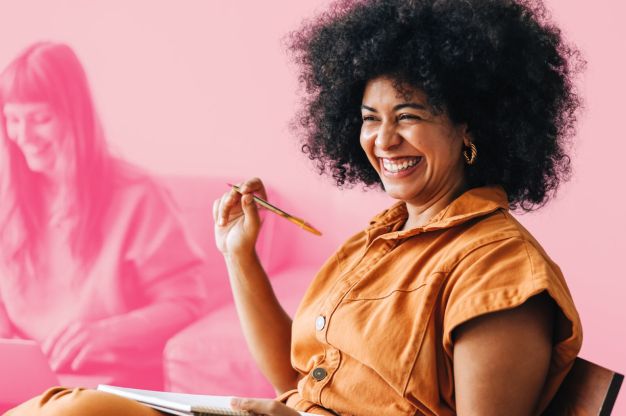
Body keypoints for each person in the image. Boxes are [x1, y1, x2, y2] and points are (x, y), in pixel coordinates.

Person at [6, 0, 584, 414]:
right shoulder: (377, 240)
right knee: (66, 406)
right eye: (368, 118)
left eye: (408, 115)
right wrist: (240, 256)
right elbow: (292, 375)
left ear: (470, 128)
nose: (382, 141)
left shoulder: (499, 269)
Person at [0, 42, 206, 389]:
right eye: (13, 120)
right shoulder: (8, 197)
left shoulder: (138, 195)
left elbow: (185, 303)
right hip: (24, 381)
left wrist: (107, 334)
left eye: (40, 119)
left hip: (105, 383)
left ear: (75, 117)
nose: (24, 136)